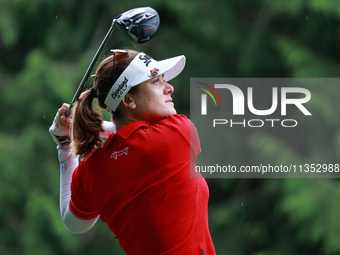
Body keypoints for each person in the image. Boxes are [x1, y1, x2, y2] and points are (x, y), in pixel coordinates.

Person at [49, 49, 216, 254]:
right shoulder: (177, 134)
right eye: (156, 81)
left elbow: (73, 224)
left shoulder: (91, 170)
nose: (169, 88)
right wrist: (93, 127)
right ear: (128, 101)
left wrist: (65, 147)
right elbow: (131, 137)